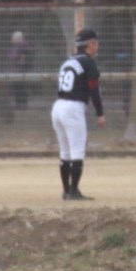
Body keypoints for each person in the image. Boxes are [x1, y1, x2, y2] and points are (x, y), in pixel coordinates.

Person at [52, 27, 105, 201]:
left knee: (65, 152)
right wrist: (100, 113)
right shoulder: (88, 62)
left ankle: (66, 190)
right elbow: (93, 89)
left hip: (58, 106)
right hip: (73, 108)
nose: (97, 47)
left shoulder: (68, 61)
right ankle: (74, 191)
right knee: (77, 151)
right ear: (90, 44)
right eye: (96, 43)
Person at [8, 30, 33, 109]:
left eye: (14, 39)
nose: (12, 40)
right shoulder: (17, 46)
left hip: (20, 70)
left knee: (21, 87)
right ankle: (19, 104)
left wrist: (20, 65)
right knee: (18, 87)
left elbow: (22, 59)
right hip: (16, 69)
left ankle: (22, 104)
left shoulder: (23, 47)